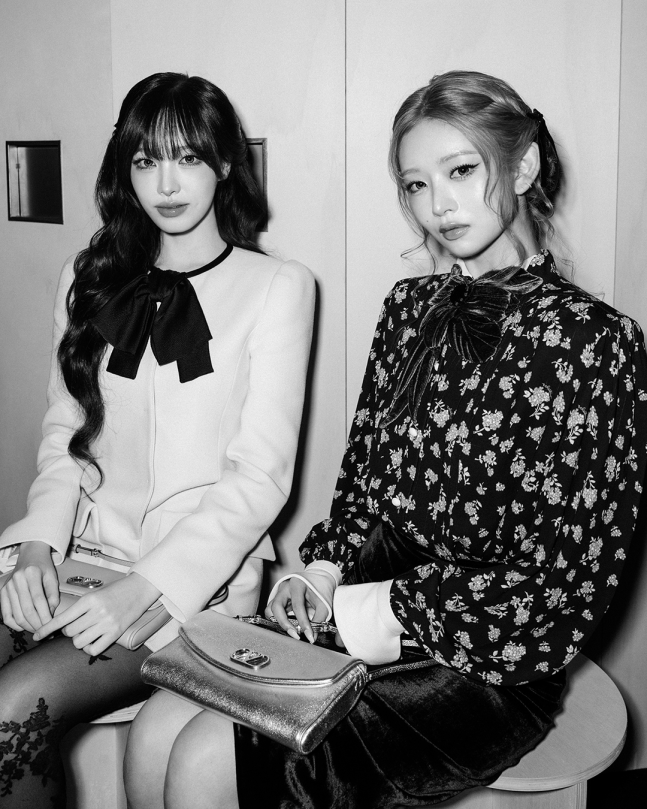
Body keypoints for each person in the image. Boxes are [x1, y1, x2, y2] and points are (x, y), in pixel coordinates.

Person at [126, 70, 647, 809]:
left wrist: (376, 607)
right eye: (415, 185)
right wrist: (322, 572)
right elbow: (364, 480)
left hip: (490, 656)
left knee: (208, 755)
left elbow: (564, 588)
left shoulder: (597, 341)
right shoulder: (407, 307)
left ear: (524, 165)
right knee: (157, 726)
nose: (438, 205)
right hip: (363, 603)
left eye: (460, 171)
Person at [0, 72, 315, 808]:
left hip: (191, 587)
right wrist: (37, 545)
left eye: (188, 157)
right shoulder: (87, 276)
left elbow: (259, 478)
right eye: (146, 160)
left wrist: (145, 586)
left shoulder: (278, 286)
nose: (166, 183)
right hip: (79, 554)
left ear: (225, 163)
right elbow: (65, 429)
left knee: (12, 710)